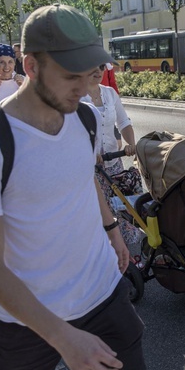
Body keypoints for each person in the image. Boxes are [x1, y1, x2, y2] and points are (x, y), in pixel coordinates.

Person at [0, 4, 164, 370]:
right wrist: (64, 339)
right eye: (71, 76)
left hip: (101, 291)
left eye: (92, 74)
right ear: (30, 65)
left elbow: (86, 179)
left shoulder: (84, 119)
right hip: (27, 313)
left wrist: (111, 232)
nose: (85, 89)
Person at [80, 63, 144, 259]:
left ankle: (122, 246)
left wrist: (131, 144)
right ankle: (105, 249)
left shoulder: (109, 93)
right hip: (91, 166)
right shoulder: (77, 97)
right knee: (100, 207)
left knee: (119, 202)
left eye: (101, 66)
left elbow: (123, 121)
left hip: (113, 159)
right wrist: (90, 152)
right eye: (93, 66)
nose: (98, 70)